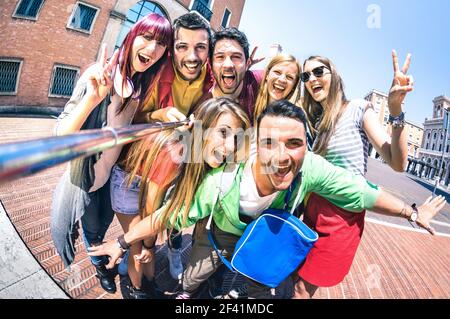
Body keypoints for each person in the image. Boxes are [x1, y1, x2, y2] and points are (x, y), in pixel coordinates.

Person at [87, 100, 445, 299]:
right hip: (218, 236)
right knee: (193, 282)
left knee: (250, 291)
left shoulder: (311, 169)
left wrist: (412, 212)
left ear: (306, 146)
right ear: (256, 144)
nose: (282, 156)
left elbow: (363, 194)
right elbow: (169, 214)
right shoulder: (222, 181)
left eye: (295, 144)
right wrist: (122, 241)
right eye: (270, 143)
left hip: (260, 243)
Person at [50, 13, 172, 295]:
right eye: (147, 37)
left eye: (162, 44)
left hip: (110, 178)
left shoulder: (139, 86)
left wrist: (161, 118)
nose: (153, 49)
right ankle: (99, 268)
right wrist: (93, 99)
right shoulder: (99, 75)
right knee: (91, 231)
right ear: (132, 36)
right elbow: (61, 136)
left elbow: (129, 129)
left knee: (104, 227)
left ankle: (104, 259)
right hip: (86, 181)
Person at [292, 51, 414, 298]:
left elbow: (397, 162)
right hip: (311, 209)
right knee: (295, 274)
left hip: (342, 215)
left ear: (334, 75)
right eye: (306, 75)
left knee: (302, 289)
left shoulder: (357, 108)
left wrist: (396, 110)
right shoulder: (315, 121)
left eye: (318, 71)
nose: (312, 78)